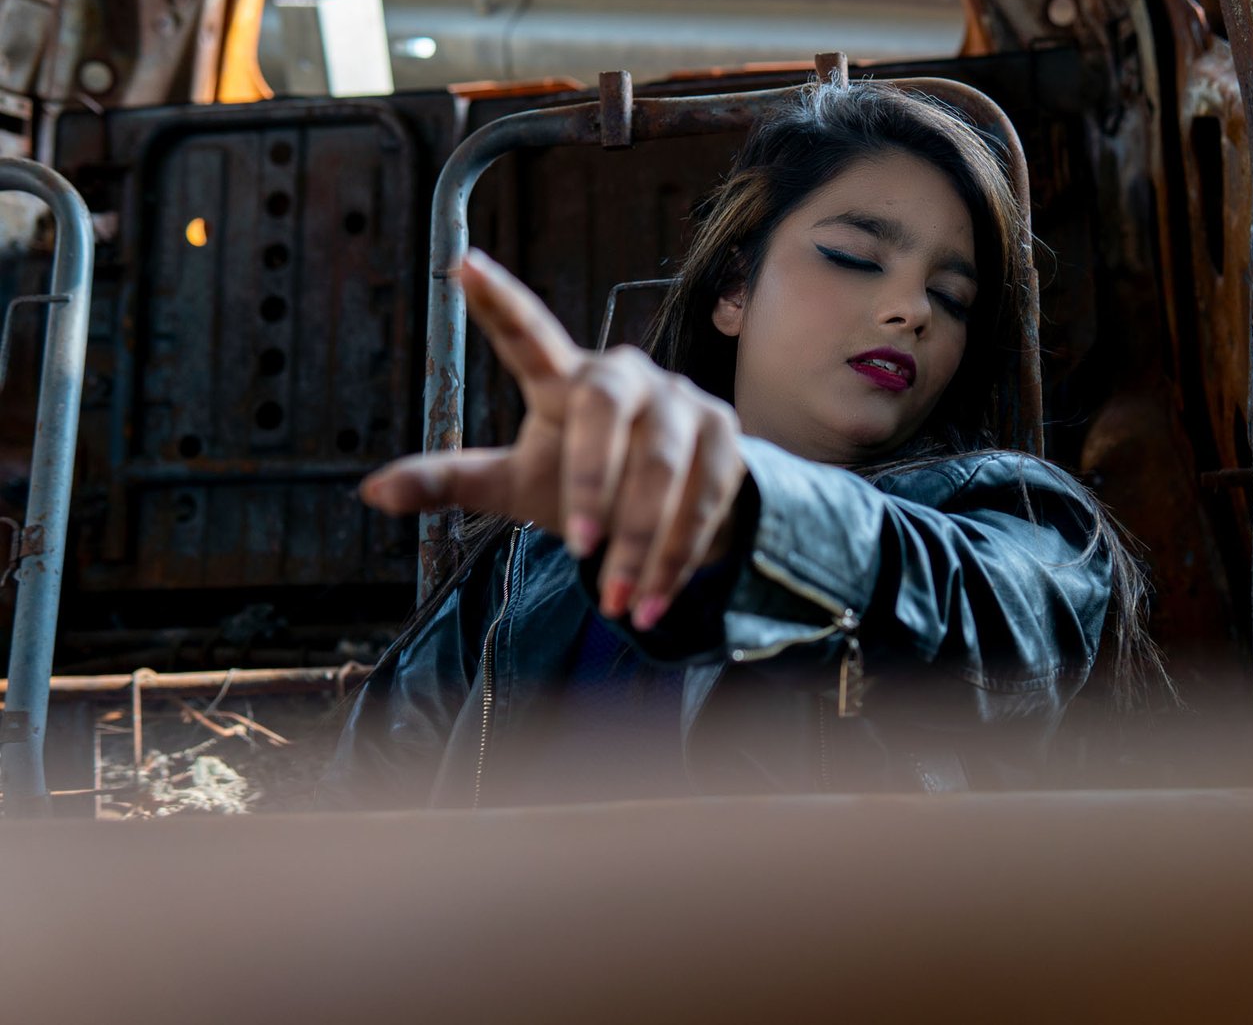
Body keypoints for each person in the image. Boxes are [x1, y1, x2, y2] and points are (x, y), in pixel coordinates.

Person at [321, 79, 1151, 810]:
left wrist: (751, 515)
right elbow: (363, 809)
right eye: (855, 257)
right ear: (733, 289)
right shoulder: (525, 568)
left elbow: (982, 625)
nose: (912, 309)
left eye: (951, 296)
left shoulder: (1024, 521)